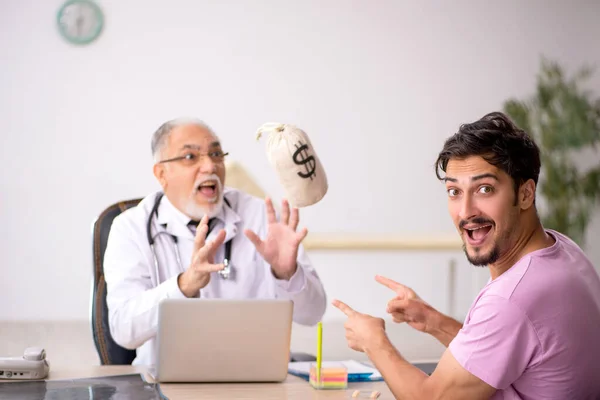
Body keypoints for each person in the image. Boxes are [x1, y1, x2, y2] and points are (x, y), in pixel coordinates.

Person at [333, 112, 600, 399]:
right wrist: (434, 322)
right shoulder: (563, 250)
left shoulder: (512, 299)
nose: (465, 211)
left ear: (525, 194)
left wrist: (374, 342)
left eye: (484, 189)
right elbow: (502, 354)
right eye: (454, 191)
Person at [103, 117, 327, 366]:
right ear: (161, 173)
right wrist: (184, 286)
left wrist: (287, 274)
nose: (210, 166)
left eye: (216, 154)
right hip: (167, 386)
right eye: (191, 157)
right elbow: (123, 330)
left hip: (257, 382)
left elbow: (313, 313)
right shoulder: (130, 227)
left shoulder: (260, 215)